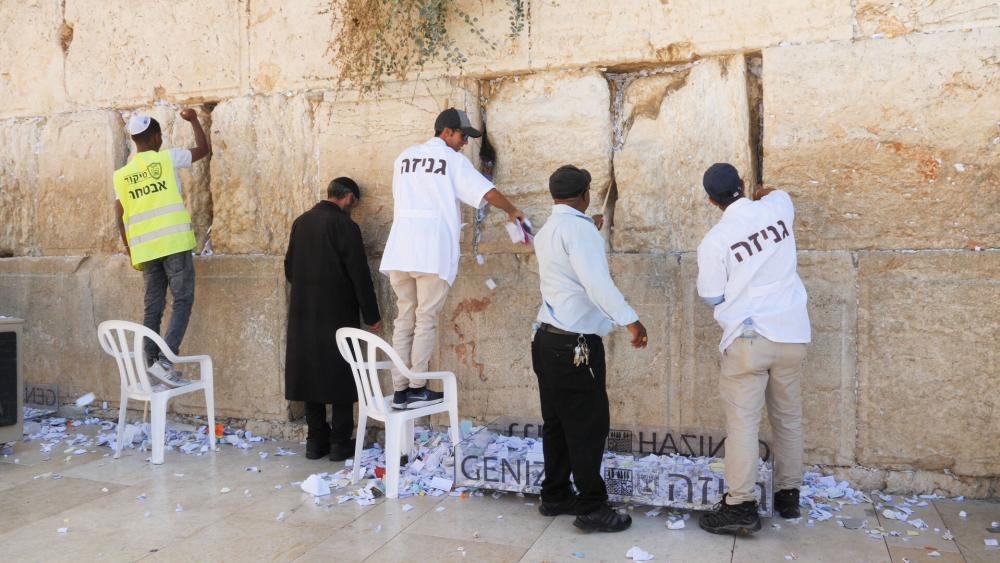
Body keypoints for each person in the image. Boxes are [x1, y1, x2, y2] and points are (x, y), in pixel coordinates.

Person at [379, 107, 524, 410]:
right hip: (431, 251)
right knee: (425, 320)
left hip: (400, 250)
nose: (464, 142)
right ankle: (418, 385)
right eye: (462, 135)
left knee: (404, 318)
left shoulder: (404, 157)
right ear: (446, 132)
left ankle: (400, 388)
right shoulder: (451, 160)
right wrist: (511, 210)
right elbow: (487, 192)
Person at [695, 163, 811, 536]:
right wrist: (761, 192)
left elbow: (712, 295)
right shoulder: (778, 208)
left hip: (749, 337)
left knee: (743, 423)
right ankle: (788, 496)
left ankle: (740, 505)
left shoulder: (715, 240)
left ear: (710, 200)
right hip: (792, 333)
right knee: (788, 417)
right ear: (742, 185)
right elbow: (776, 192)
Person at [531, 164, 648, 533]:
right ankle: (593, 507)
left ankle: (555, 495)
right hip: (575, 347)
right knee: (587, 426)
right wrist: (631, 320)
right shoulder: (579, 231)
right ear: (584, 194)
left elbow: (571, 257)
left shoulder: (549, 229)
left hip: (546, 340)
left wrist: (587, 227)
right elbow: (597, 284)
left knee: (557, 423)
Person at [284, 177, 382, 461]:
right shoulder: (345, 226)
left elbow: (289, 269)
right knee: (342, 373)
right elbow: (359, 274)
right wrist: (371, 314)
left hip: (303, 312)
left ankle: (315, 441)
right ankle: (340, 443)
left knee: (309, 373)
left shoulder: (301, 223)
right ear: (348, 197)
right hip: (337, 311)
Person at [113, 109, 210, 385]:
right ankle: (166, 361)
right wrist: (192, 120)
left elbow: (120, 216)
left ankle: (152, 364)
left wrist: (131, 251)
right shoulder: (167, 159)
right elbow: (203, 149)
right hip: (174, 244)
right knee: (182, 301)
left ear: (134, 140)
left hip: (145, 251)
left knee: (152, 308)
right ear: (156, 137)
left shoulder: (121, 175)